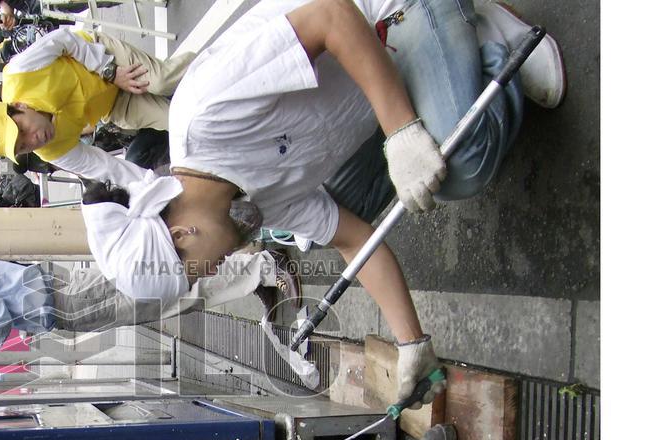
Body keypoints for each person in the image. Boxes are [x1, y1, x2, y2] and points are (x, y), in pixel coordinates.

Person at [84, 0, 566, 407]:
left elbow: (333, 15)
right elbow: (357, 240)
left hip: (383, 15)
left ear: (180, 236)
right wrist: (411, 343)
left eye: (197, 270)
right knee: (338, 212)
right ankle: (442, 83)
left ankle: (492, 44)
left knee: (460, 169)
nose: (215, 271)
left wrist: (401, 132)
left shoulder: (205, 115)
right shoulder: (253, 207)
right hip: (374, 67)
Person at [0, 254, 295, 397]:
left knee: (164, 291)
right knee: (165, 294)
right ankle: (254, 271)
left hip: (67, 301)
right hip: (63, 301)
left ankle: (259, 265)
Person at [0, 26, 194, 185]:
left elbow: (64, 39)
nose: (34, 139)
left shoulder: (20, 73)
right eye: (23, 146)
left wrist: (109, 71)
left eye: (22, 130)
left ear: (19, 106)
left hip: (104, 58)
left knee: (160, 81)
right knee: (184, 123)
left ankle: (217, 57)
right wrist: (158, 188)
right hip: (113, 105)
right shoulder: (52, 152)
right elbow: (106, 167)